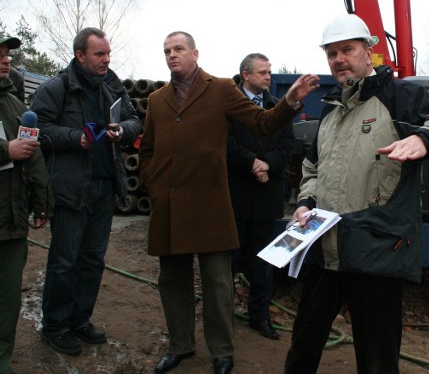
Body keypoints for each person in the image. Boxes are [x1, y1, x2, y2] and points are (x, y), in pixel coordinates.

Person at [283, 14, 429, 374]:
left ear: (369, 52)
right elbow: (313, 168)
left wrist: (424, 138)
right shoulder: (331, 110)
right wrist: (306, 202)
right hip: (325, 248)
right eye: (332, 53)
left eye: (347, 50)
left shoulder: (400, 97)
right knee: (303, 344)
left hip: (375, 250)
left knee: (377, 358)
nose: (339, 59)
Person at [138, 31, 318, 374]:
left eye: (179, 49)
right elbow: (147, 149)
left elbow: (262, 123)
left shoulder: (221, 90)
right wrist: (154, 184)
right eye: (166, 51)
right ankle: (180, 345)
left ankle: (222, 352)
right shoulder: (157, 100)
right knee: (172, 281)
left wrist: (290, 101)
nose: (172, 55)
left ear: (195, 53)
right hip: (170, 206)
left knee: (218, 282)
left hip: (211, 206)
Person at [30, 27, 141, 356]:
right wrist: (75, 138)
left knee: (93, 260)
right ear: (80, 56)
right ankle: (55, 325)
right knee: (65, 261)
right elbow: (38, 130)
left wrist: (122, 129)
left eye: (108, 54)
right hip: (70, 189)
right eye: (99, 54)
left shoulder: (111, 84)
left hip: (105, 188)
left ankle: (79, 320)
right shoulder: (57, 87)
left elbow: (134, 118)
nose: (107, 60)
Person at [228, 53, 295, 340]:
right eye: (263, 72)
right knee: (227, 263)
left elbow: (288, 145)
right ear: (246, 74)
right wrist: (252, 164)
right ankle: (223, 317)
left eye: (269, 72)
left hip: (266, 200)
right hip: (234, 199)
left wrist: (267, 163)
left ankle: (259, 316)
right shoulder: (228, 106)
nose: (269, 77)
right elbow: (223, 143)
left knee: (264, 263)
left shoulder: (276, 108)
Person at [0, 36, 53, 374]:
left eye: (6, 55)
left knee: (7, 297)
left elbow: (33, 160)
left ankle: (1, 357)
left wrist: (41, 202)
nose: (5, 61)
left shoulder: (17, 107)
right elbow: (15, 152)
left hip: (10, 220)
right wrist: (4, 152)